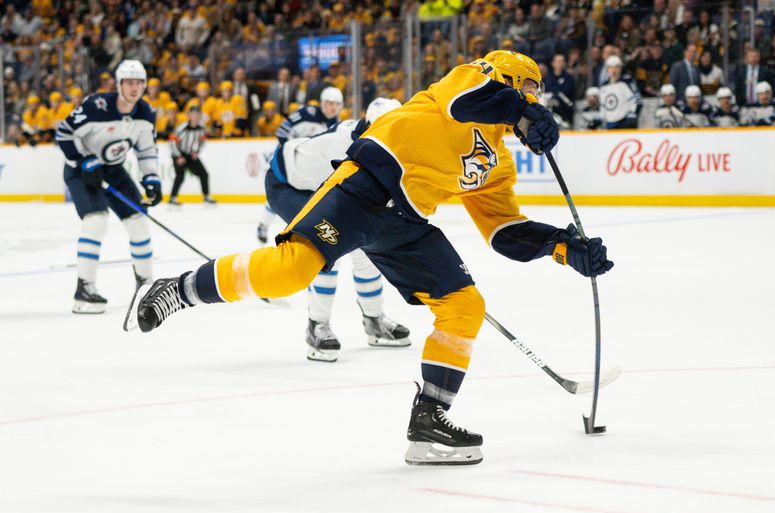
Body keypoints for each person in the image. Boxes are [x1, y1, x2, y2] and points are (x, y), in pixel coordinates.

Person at [124, 51, 613, 466]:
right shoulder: (474, 78)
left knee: (465, 306)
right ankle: (176, 289)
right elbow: (466, 104)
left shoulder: (498, 161)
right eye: (530, 88)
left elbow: (504, 231)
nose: (535, 98)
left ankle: (428, 423)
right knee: (294, 270)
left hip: (406, 222)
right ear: (510, 78)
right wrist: (522, 110)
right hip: (365, 185)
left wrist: (563, 246)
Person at [264, 97, 411, 362]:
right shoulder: (343, 147)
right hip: (288, 185)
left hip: (319, 183)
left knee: (367, 249)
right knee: (324, 246)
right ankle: (316, 326)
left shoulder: (377, 141)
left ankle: (374, 321)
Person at [55, 59, 162, 314]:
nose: (134, 88)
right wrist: (83, 161)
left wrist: (152, 180)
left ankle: (145, 288)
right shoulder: (96, 106)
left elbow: (147, 150)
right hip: (81, 170)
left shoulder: (145, 113)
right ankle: (84, 289)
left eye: (139, 83)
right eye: (129, 82)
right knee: (96, 220)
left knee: (138, 221)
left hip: (113, 171)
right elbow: (64, 133)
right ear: (119, 84)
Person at [257, 87, 343, 244]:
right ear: (323, 103)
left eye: (338, 104)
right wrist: (290, 154)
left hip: (308, 171)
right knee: (281, 197)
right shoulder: (307, 113)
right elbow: (282, 131)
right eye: (331, 103)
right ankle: (264, 226)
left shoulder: (336, 124)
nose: (334, 108)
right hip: (288, 165)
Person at [168, 106, 214, 205]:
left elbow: (203, 141)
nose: (195, 116)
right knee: (180, 176)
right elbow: (172, 141)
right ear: (189, 115)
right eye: (193, 114)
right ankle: (172, 198)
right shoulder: (182, 127)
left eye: (197, 113)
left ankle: (206, 196)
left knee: (204, 174)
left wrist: (197, 152)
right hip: (178, 153)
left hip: (189, 154)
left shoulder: (202, 127)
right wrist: (178, 156)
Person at [599, 55, 642, 129]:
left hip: (625, 123)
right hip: (610, 125)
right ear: (607, 69)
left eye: (616, 67)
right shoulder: (603, 86)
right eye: (611, 67)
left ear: (620, 68)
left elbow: (638, 101)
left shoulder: (627, 81)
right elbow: (603, 107)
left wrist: (632, 116)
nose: (614, 70)